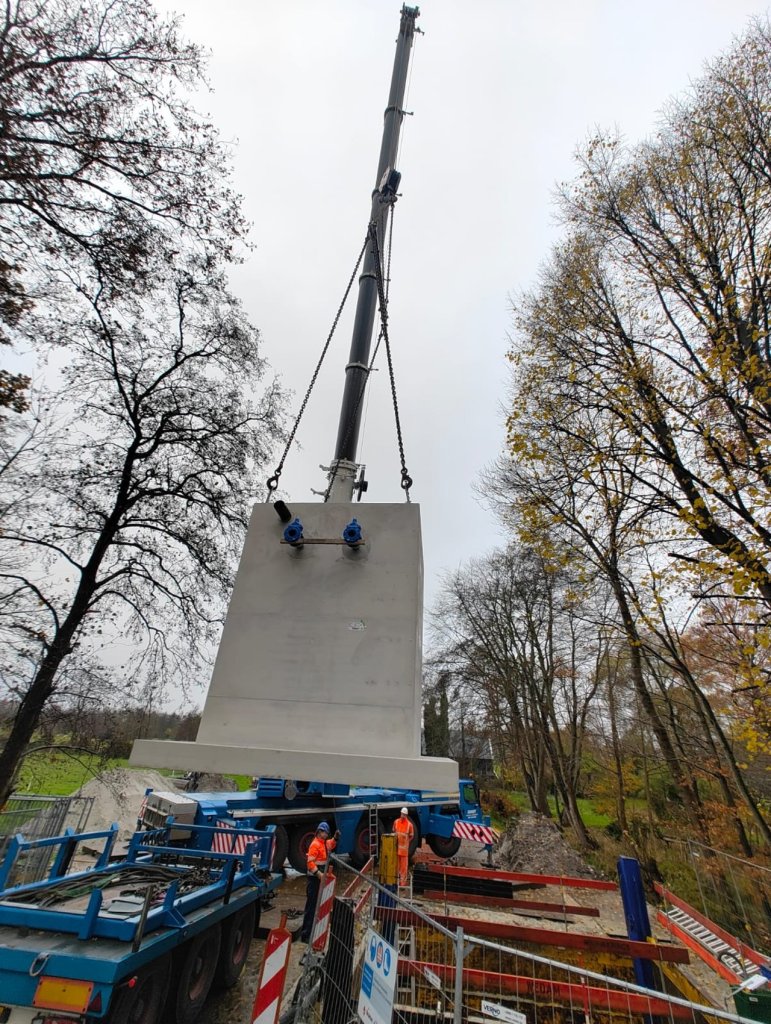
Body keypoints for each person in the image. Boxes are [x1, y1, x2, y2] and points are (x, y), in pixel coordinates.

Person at [300, 821, 339, 942]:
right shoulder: (315, 844)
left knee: (317, 905)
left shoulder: (323, 843)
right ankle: (306, 935)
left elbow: (330, 844)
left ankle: (312, 931)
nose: (326, 834)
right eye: (325, 832)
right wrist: (318, 874)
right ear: (319, 832)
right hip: (314, 879)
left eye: (328, 833)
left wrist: (335, 838)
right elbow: (310, 863)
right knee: (311, 907)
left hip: (318, 877)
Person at [394, 807, 415, 886]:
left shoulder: (410, 825)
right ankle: (395, 883)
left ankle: (402, 884)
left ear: (406, 815)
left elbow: (411, 836)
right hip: (397, 849)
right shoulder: (396, 822)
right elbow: (394, 832)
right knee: (396, 867)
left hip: (404, 851)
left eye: (404, 814)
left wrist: (406, 842)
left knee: (403, 868)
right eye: (402, 814)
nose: (402, 815)